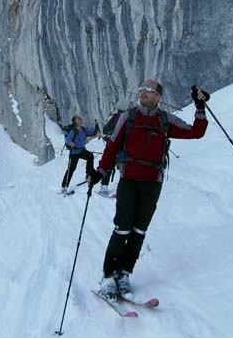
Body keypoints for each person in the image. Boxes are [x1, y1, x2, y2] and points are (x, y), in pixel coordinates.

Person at [88, 80, 210, 299]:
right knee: (122, 228)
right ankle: (108, 275)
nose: (143, 93)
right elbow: (112, 146)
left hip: (153, 184)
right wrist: (100, 172)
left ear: (158, 97)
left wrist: (200, 108)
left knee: (139, 231)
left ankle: (124, 273)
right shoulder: (129, 117)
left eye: (149, 90)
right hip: (129, 181)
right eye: (142, 89)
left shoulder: (164, 120)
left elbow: (195, 132)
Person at [98, 99, 135, 196]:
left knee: (111, 165)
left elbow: (105, 130)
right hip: (121, 146)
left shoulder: (116, 117)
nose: (132, 105)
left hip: (115, 145)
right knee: (124, 166)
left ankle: (104, 188)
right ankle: (122, 190)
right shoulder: (125, 117)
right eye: (130, 104)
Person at [61, 116, 99, 194]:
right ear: (75, 122)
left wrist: (96, 125)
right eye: (79, 119)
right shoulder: (73, 131)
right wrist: (71, 143)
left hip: (81, 151)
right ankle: (64, 187)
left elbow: (93, 133)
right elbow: (68, 139)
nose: (81, 119)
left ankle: (89, 174)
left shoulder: (83, 129)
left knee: (90, 156)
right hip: (74, 153)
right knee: (71, 169)